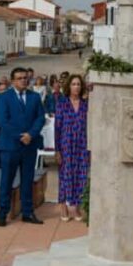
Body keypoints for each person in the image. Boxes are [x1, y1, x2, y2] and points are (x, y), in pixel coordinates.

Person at [0, 67, 46, 227]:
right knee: (7, 180)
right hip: (10, 146)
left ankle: (27, 212)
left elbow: (40, 118)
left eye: (25, 78)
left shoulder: (35, 97)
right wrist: (20, 136)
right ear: (12, 81)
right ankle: (3, 212)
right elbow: (4, 122)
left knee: (27, 180)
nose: (23, 80)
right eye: (19, 78)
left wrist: (30, 135)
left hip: (29, 146)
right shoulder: (3, 98)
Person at [55, 74, 89, 221]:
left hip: (82, 144)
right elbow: (57, 128)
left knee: (81, 176)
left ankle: (77, 208)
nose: (76, 87)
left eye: (78, 84)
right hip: (66, 144)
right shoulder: (61, 104)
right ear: (69, 86)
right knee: (65, 176)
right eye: (74, 84)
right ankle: (64, 207)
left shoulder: (86, 105)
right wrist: (57, 150)